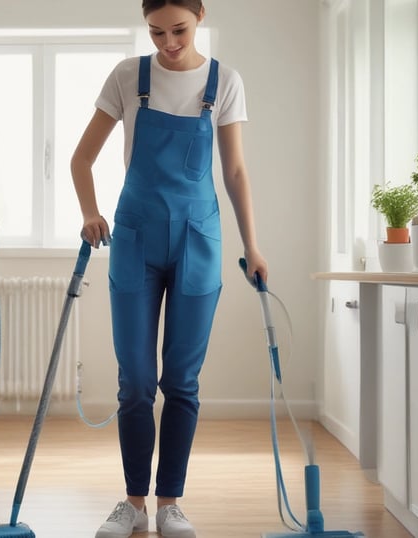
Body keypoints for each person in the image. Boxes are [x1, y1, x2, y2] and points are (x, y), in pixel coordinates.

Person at [71, 1, 268, 536]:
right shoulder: (127, 77)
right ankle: (133, 503)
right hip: (134, 238)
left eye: (178, 30)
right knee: (136, 382)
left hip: (198, 241)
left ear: (200, 15)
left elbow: (235, 169)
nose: (168, 43)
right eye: (156, 32)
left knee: (181, 380)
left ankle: (169, 504)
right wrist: (91, 212)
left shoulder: (224, 82)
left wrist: (253, 244)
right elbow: (81, 158)